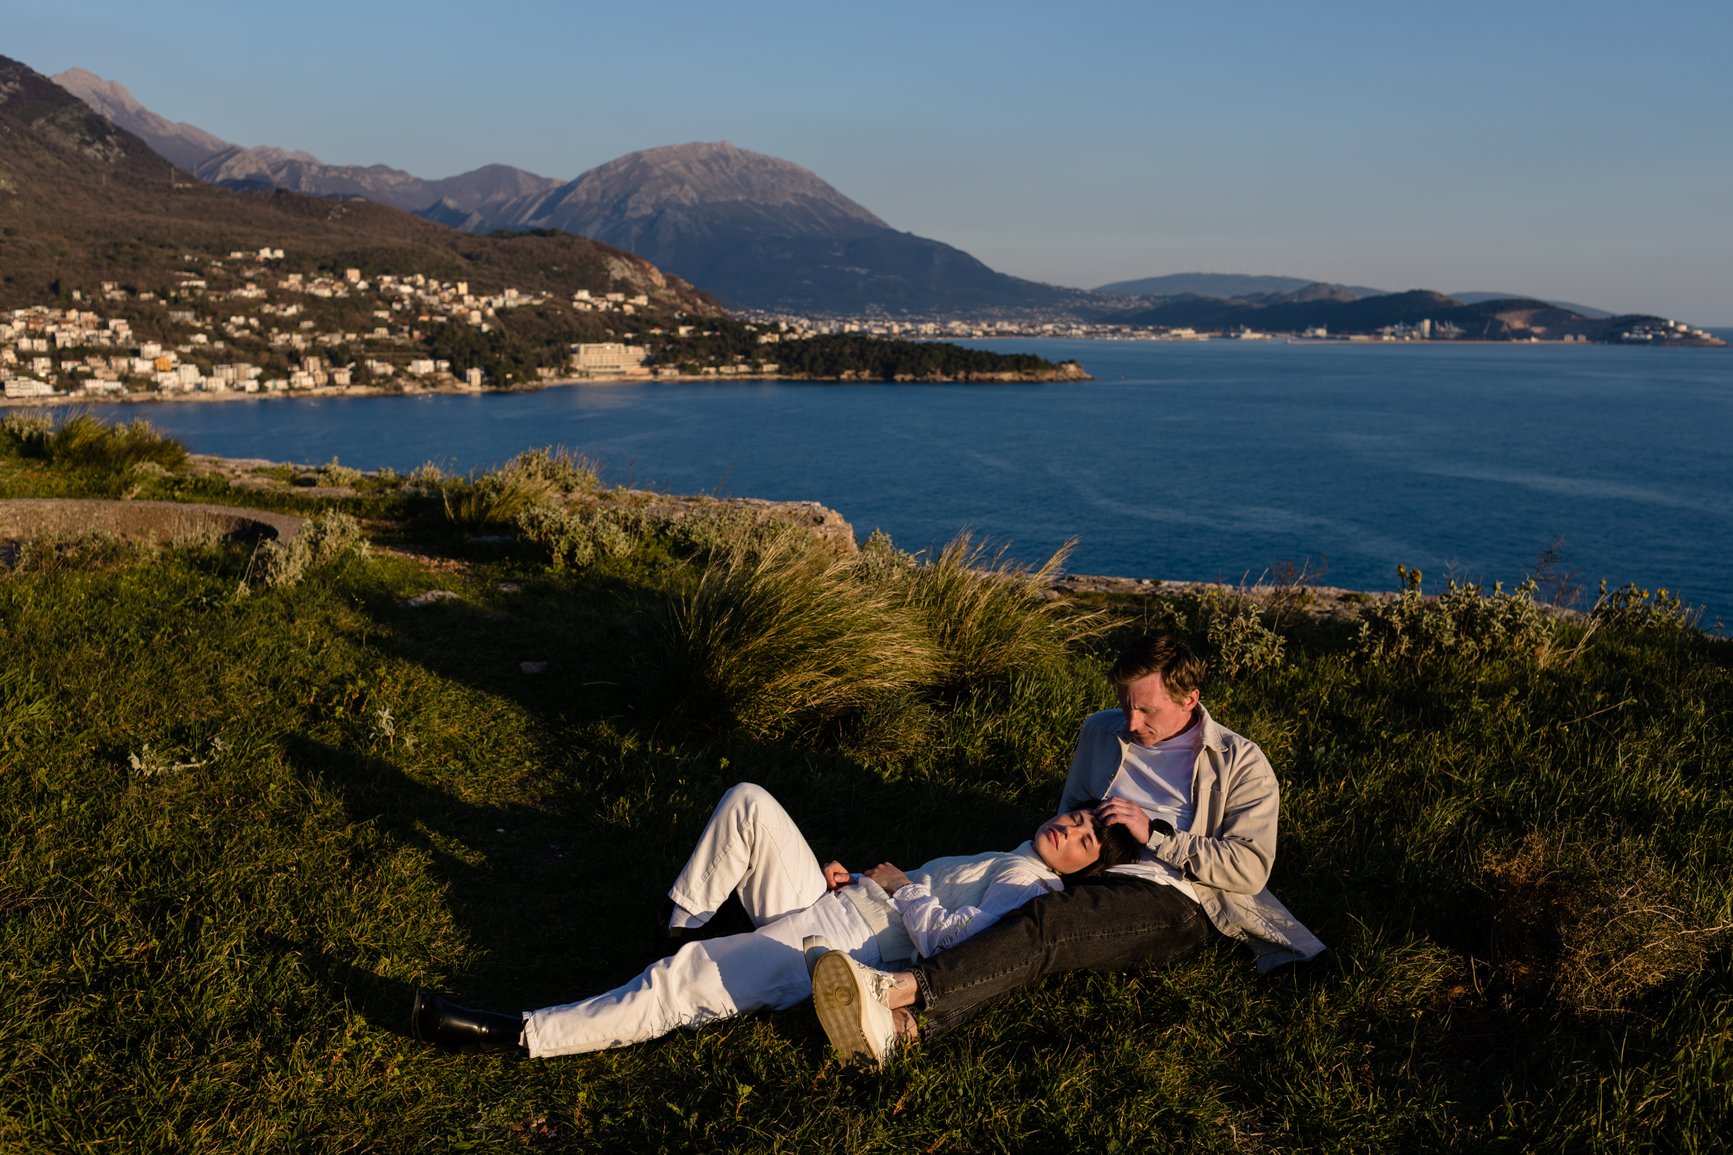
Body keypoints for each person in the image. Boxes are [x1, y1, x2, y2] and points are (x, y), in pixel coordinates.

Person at [812, 634, 1325, 1063]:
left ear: (1190, 699)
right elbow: (1070, 809)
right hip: (1087, 873)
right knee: (1014, 928)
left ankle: (896, 990)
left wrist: (1157, 836)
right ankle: (902, 1033)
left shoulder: (1242, 763)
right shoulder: (1101, 730)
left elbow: (1251, 869)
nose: (1129, 722)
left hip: (1178, 898)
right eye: (1126, 703)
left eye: (1146, 710)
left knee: (1048, 925)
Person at [411, 781, 1138, 1057]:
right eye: (1074, 818)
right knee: (749, 804)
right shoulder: (1010, 852)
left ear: (1082, 867)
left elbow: (955, 943)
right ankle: (678, 929)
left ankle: (522, 1034)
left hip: (852, 937)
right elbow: (932, 895)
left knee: (690, 979)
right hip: (845, 900)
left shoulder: (1029, 884)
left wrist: (892, 886)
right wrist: (865, 878)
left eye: (1081, 841)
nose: (1068, 831)